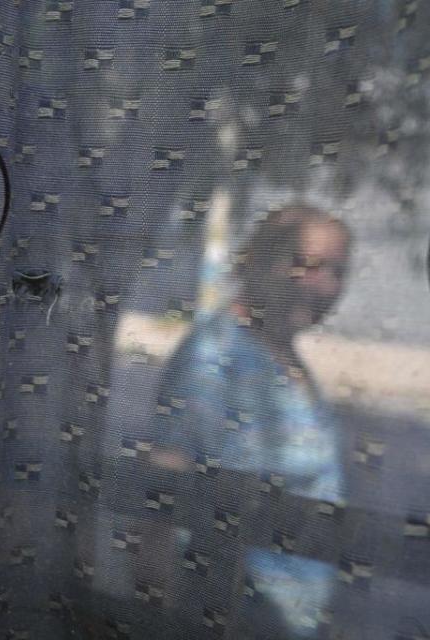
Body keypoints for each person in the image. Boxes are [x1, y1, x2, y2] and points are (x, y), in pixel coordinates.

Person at [149, 206, 352, 638]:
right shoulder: (217, 355)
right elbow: (162, 488)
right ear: (260, 261)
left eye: (339, 271)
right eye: (309, 265)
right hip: (230, 614)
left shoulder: (284, 354)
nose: (326, 286)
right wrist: (159, 609)